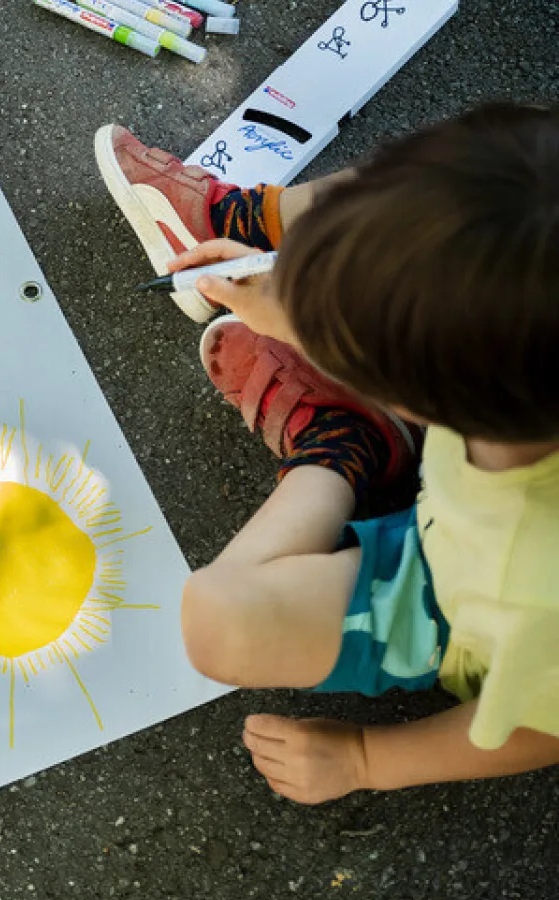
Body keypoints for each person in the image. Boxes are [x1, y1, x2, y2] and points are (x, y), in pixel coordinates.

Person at [94, 104, 559, 806]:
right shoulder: (522, 363)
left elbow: (539, 726)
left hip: (462, 603)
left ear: (427, 406)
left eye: (340, 339)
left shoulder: (537, 590)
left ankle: (345, 445)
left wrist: (367, 758)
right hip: (479, 514)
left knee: (216, 620)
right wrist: (288, 306)